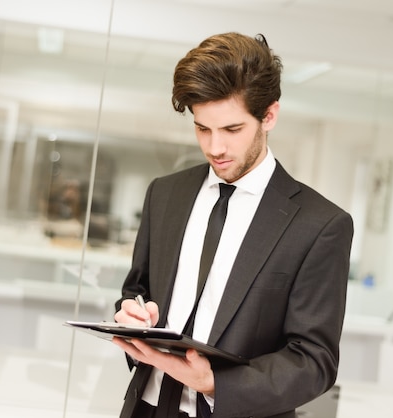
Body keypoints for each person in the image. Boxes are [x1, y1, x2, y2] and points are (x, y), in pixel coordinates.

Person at [112, 32, 354, 418]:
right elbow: (136, 289)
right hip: (146, 408)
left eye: (232, 129)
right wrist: (132, 313)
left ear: (269, 116)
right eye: (202, 128)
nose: (215, 148)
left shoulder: (320, 224)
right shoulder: (165, 193)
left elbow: (315, 361)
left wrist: (214, 383)